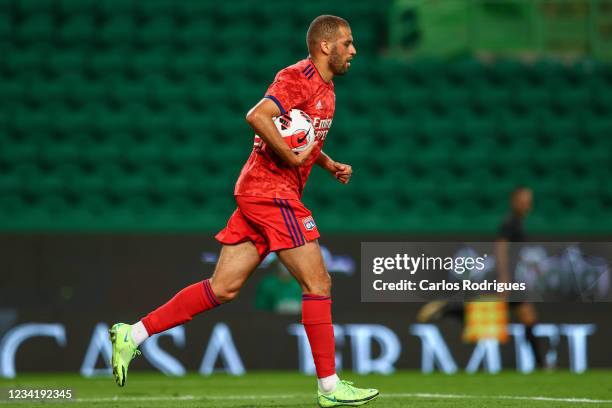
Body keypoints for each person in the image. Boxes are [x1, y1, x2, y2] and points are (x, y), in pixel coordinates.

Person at [109, 15, 379, 407]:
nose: (354, 50)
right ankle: (329, 387)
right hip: (271, 191)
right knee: (318, 284)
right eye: (348, 43)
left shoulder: (328, 91)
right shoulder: (295, 77)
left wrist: (327, 163)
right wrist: (290, 158)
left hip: (261, 191)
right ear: (325, 46)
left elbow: (302, 136)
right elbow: (258, 116)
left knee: (223, 288)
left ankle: (132, 334)